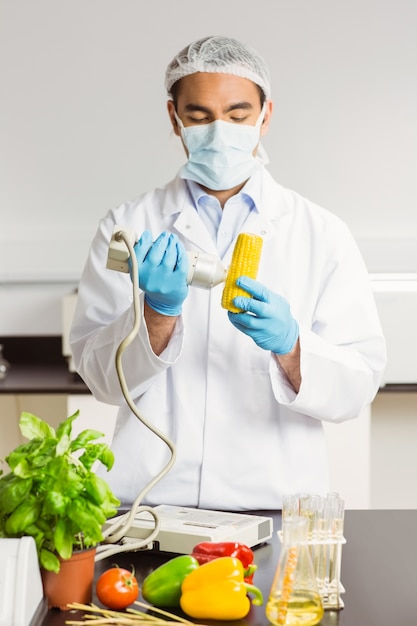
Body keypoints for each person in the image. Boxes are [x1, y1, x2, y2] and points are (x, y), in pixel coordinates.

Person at [70, 36, 386, 511]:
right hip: (152, 504)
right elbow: (101, 380)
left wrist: (292, 345)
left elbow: (358, 385)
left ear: (266, 115)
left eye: (238, 116)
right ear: (174, 118)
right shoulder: (128, 227)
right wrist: (155, 315)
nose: (220, 131)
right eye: (199, 116)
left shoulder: (321, 233)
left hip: (275, 503)